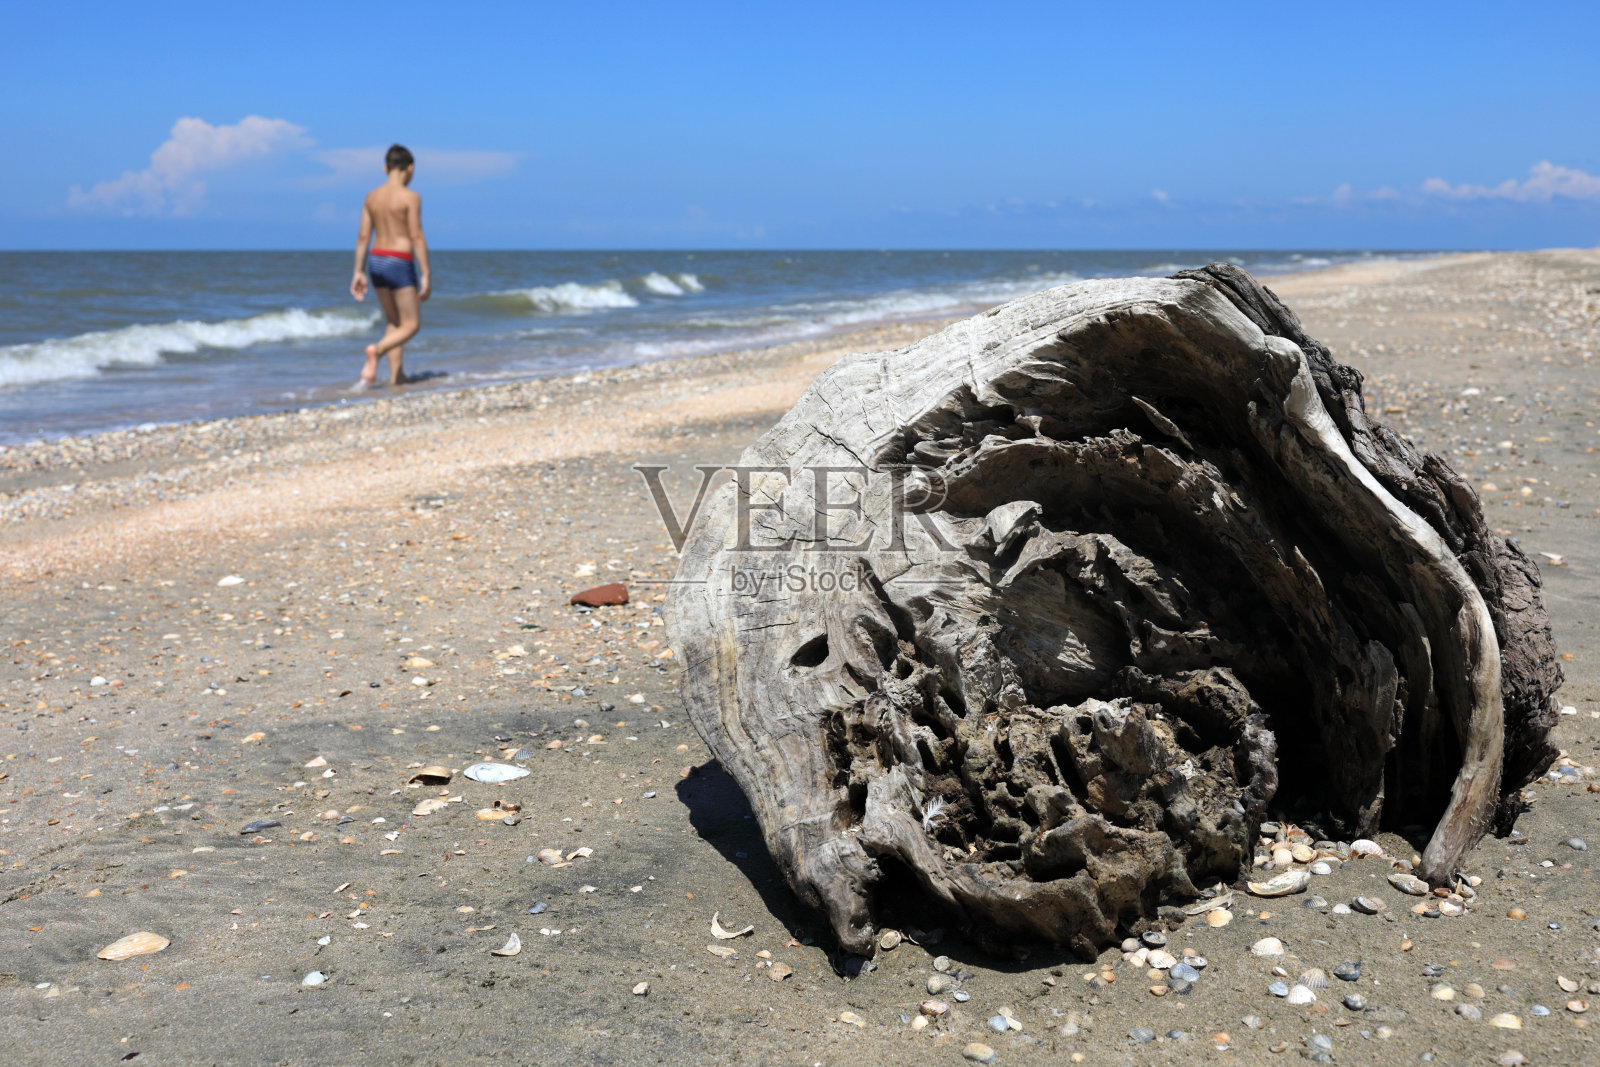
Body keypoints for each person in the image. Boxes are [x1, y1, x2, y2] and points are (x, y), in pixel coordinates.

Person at [349, 144, 431, 386]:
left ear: (385, 168)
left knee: (394, 322)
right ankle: (378, 350)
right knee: (412, 324)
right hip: (399, 261)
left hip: (376, 261)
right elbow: (416, 236)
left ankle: (398, 377)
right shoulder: (411, 197)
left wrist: (358, 271)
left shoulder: (371, 197)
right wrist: (425, 274)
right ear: (410, 168)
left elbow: (363, 236)